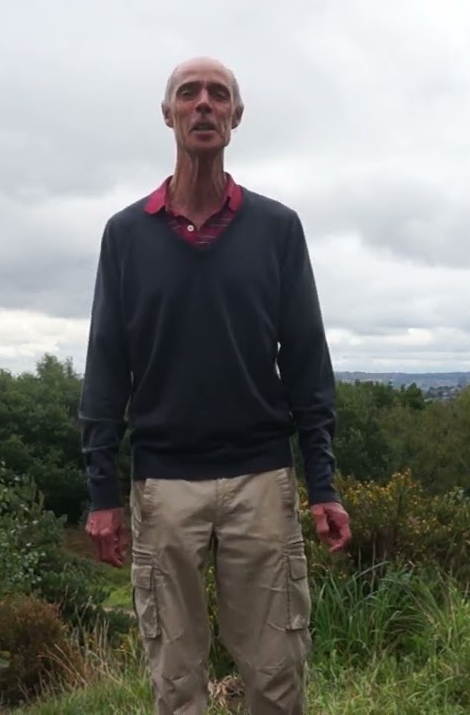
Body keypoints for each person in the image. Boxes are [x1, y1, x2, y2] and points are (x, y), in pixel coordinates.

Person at [77, 56, 352, 714]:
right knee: (176, 678)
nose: (204, 104)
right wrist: (101, 493)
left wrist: (323, 483)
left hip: (261, 476)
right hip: (163, 482)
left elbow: (308, 362)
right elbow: (107, 367)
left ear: (236, 117)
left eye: (218, 94)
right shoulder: (126, 235)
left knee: (277, 673)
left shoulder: (277, 229)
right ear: (168, 114)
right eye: (188, 93)